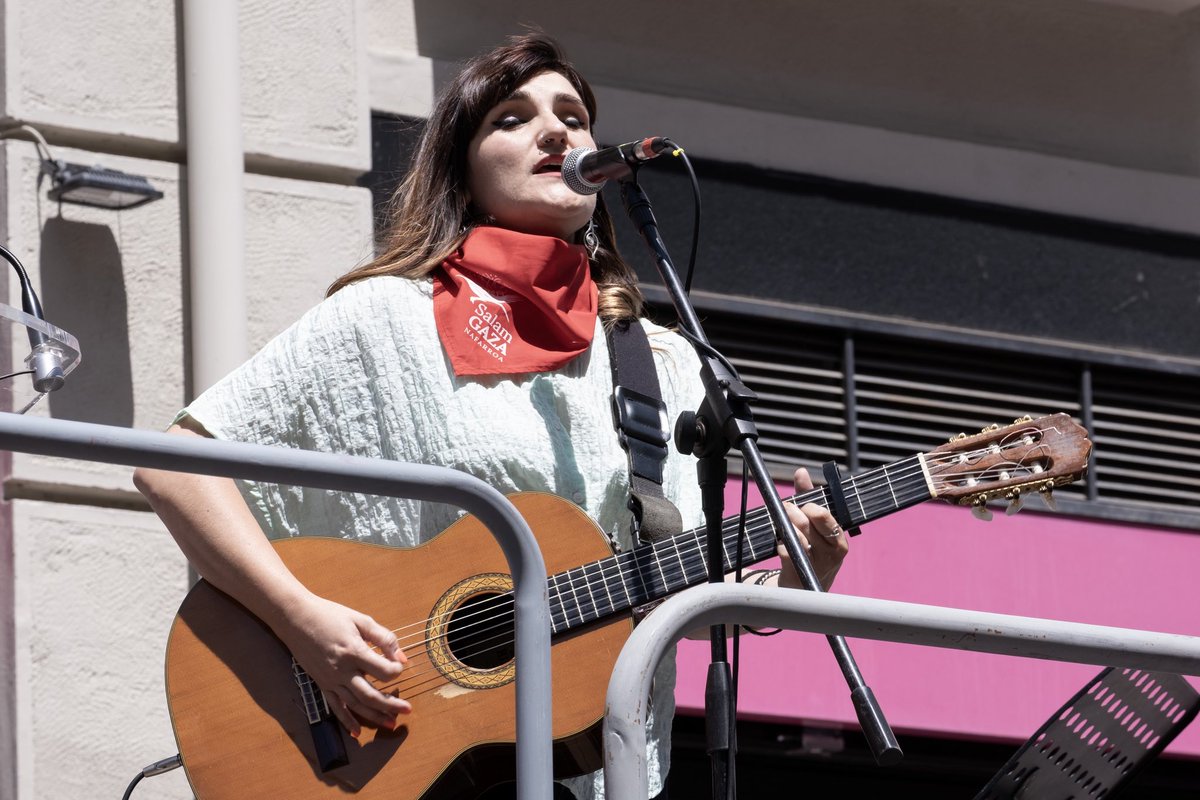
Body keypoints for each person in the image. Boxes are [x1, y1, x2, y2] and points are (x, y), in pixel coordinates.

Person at [134, 33, 849, 800]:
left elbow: (667, 590)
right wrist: (304, 622)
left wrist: (788, 579)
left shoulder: (660, 361)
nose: (556, 133)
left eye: (573, 117)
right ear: (464, 172)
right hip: (390, 756)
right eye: (513, 117)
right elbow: (176, 468)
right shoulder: (383, 320)